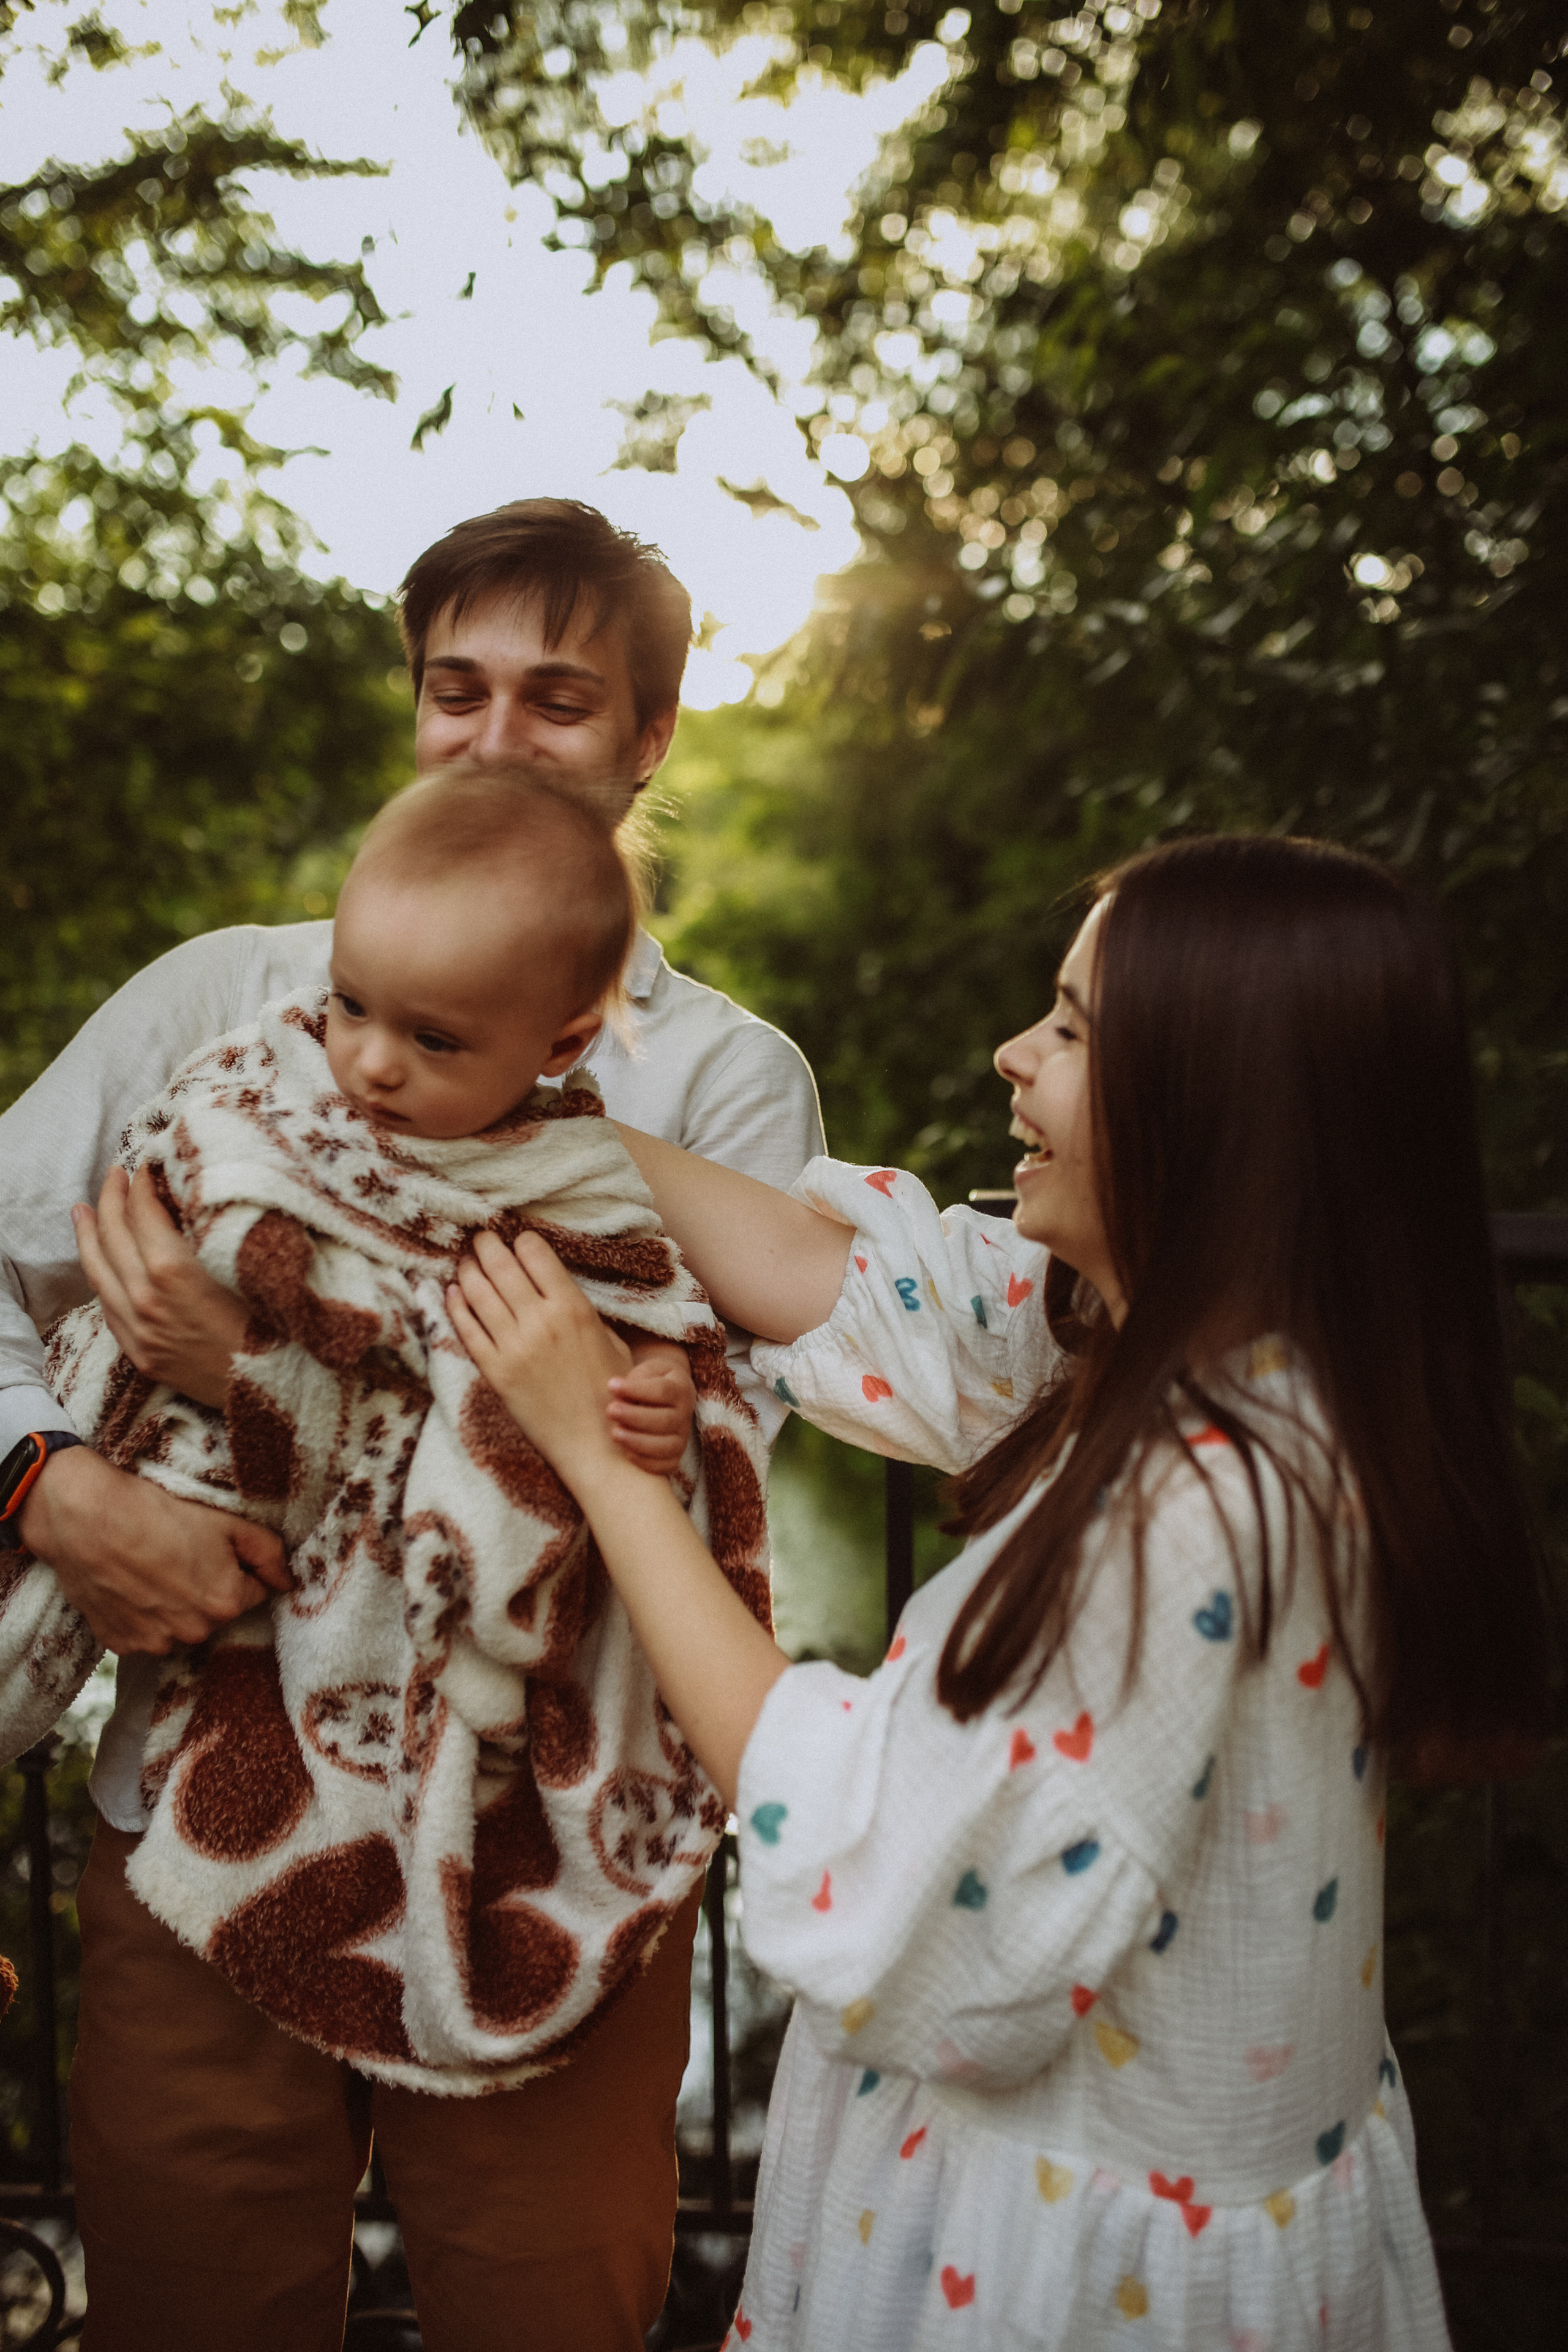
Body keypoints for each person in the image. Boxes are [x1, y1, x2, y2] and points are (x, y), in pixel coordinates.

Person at [443, 834, 1553, 2352]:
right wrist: (533, 1114)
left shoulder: (1190, 1510)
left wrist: (600, 1459)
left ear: (1214, 1104)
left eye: (1074, 1028)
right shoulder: (1261, 1369)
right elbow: (866, 1289)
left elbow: (852, 1832)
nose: (1012, 1055)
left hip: (1053, 2286)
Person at [0, 500, 823, 2350]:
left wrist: (258, 1377)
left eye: (560, 700)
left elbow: (693, 1487)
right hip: (199, 1799)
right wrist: (52, 1486)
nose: (498, 739)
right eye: (458, 693)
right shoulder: (225, 1009)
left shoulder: (714, 1089)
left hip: (553, 1859)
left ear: (651, 739)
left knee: (549, 2316)